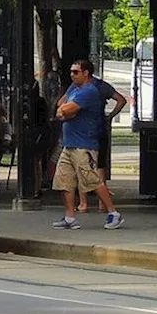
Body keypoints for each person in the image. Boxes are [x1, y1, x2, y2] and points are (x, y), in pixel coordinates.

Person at [51, 59, 123, 230]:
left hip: (84, 144)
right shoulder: (75, 89)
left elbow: (65, 110)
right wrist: (66, 111)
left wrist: (66, 112)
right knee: (64, 180)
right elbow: (60, 108)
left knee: (92, 180)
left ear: (86, 73)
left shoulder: (89, 91)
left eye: (76, 72)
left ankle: (113, 212)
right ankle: (70, 217)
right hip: (70, 144)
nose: (72, 75)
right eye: (71, 71)